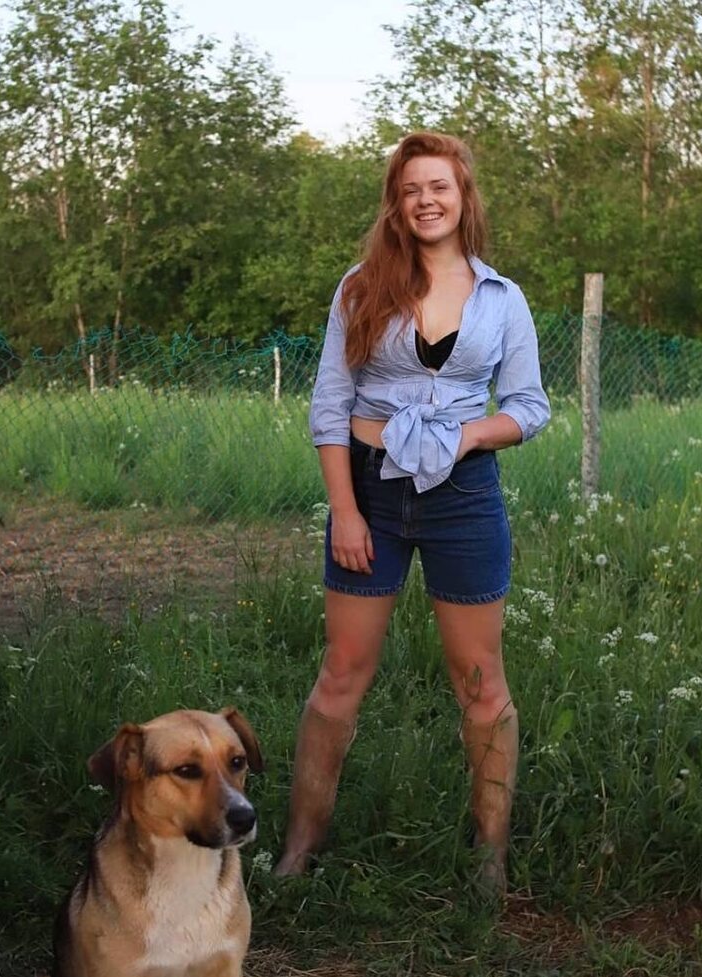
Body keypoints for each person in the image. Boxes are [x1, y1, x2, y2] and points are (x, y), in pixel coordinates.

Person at [274, 132, 550, 891]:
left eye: (439, 187)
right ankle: (299, 849)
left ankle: (490, 856)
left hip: (463, 497)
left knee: (479, 681)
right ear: (396, 205)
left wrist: (468, 435)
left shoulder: (501, 298)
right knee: (342, 672)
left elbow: (529, 406)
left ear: (463, 197)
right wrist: (345, 510)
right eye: (411, 189)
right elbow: (330, 406)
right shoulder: (362, 286)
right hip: (370, 493)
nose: (426, 200)